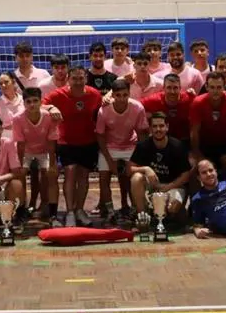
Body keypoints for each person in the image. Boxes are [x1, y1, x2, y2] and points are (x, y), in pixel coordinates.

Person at [43, 66, 103, 227]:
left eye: (81, 78)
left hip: (88, 142)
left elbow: (101, 110)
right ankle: (69, 211)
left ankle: (80, 210)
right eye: (74, 78)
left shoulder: (94, 94)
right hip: (66, 142)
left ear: (86, 79)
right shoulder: (58, 94)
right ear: (68, 79)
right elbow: (40, 105)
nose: (78, 82)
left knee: (83, 177)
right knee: (70, 173)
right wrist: (51, 107)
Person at [96, 79, 149, 221]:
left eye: (125, 95)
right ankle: (110, 210)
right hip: (109, 146)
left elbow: (143, 135)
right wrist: (109, 161)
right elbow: (100, 136)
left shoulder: (138, 108)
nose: (122, 99)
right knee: (103, 176)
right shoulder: (104, 110)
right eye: (118, 95)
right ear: (113, 95)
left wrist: (138, 158)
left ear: (129, 93)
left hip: (131, 146)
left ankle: (134, 208)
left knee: (131, 176)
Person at [128, 112, 191, 225]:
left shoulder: (178, 146)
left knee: (173, 207)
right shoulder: (143, 146)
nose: (158, 129)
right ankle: (143, 218)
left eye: (161, 126)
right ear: (150, 129)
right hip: (152, 187)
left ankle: (167, 216)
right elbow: (130, 169)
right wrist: (146, 169)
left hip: (173, 186)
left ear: (167, 127)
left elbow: (186, 175)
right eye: (155, 126)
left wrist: (168, 187)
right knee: (136, 178)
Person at [12, 88, 59, 222]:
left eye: (35, 101)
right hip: (26, 151)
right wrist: (20, 165)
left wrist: (52, 164)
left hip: (44, 151)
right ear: (24, 103)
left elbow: (51, 142)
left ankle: (52, 212)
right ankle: (21, 210)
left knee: (51, 174)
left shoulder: (49, 117)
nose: (32, 104)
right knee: (19, 176)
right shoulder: (17, 118)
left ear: (40, 101)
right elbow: (20, 144)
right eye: (28, 102)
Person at [190, 72, 226, 165]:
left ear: (224, 86)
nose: (215, 91)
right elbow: (194, 131)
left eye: (219, 87)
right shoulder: (198, 103)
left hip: (224, 146)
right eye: (212, 87)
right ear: (206, 87)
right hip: (203, 145)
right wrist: (197, 153)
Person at [141, 74, 195, 147]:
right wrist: (147, 117)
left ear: (180, 88)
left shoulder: (189, 99)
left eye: (175, 88)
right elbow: (136, 107)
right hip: (161, 141)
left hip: (185, 142)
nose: (172, 92)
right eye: (169, 88)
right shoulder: (154, 100)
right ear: (163, 88)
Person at [0, 73, 25, 140]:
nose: (3, 85)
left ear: (13, 82)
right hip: (6, 140)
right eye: (1, 84)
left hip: (25, 137)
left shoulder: (24, 100)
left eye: (6, 82)